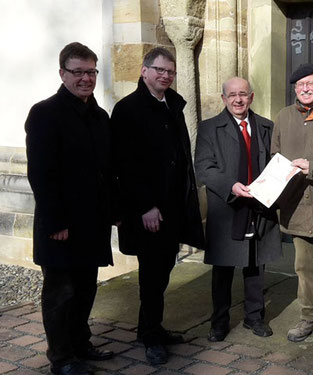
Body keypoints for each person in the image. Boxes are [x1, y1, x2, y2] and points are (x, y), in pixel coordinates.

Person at [110, 47, 205, 365]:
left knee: (163, 270)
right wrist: (145, 206)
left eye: (170, 71)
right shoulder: (128, 109)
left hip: (173, 207)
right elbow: (126, 164)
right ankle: (150, 336)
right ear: (144, 71)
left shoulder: (173, 105)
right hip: (149, 211)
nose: (165, 75)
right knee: (151, 274)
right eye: (159, 70)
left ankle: (150, 327)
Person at [25, 42, 115, 375]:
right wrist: (55, 221)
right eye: (78, 72)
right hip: (60, 225)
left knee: (86, 288)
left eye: (91, 71)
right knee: (60, 294)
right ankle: (61, 359)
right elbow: (41, 173)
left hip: (92, 223)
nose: (86, 79)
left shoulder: (99, 115)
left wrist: (113, 210)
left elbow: (106, 169)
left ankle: (80, 343)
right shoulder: (45, 113)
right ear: (62, 73)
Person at [194, 77, 282, 342]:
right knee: (223, 269)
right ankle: (219, 322)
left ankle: (254, 317)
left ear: (251, 97)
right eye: (232, 95)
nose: (238, 100)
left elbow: (276, 162)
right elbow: (204, 167)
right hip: (227, 207)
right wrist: (231, 186)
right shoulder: (210, 128)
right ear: (223, 99)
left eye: (243, 94)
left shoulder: (267, 126)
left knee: (256, 265)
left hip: (259, 206)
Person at [271, 63, 313, 349]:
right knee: (303, 267)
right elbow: (274, 156)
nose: (305, 89)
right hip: (297, 206)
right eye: (300, 85)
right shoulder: (284, 116)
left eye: (310, 83)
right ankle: (308, 317)